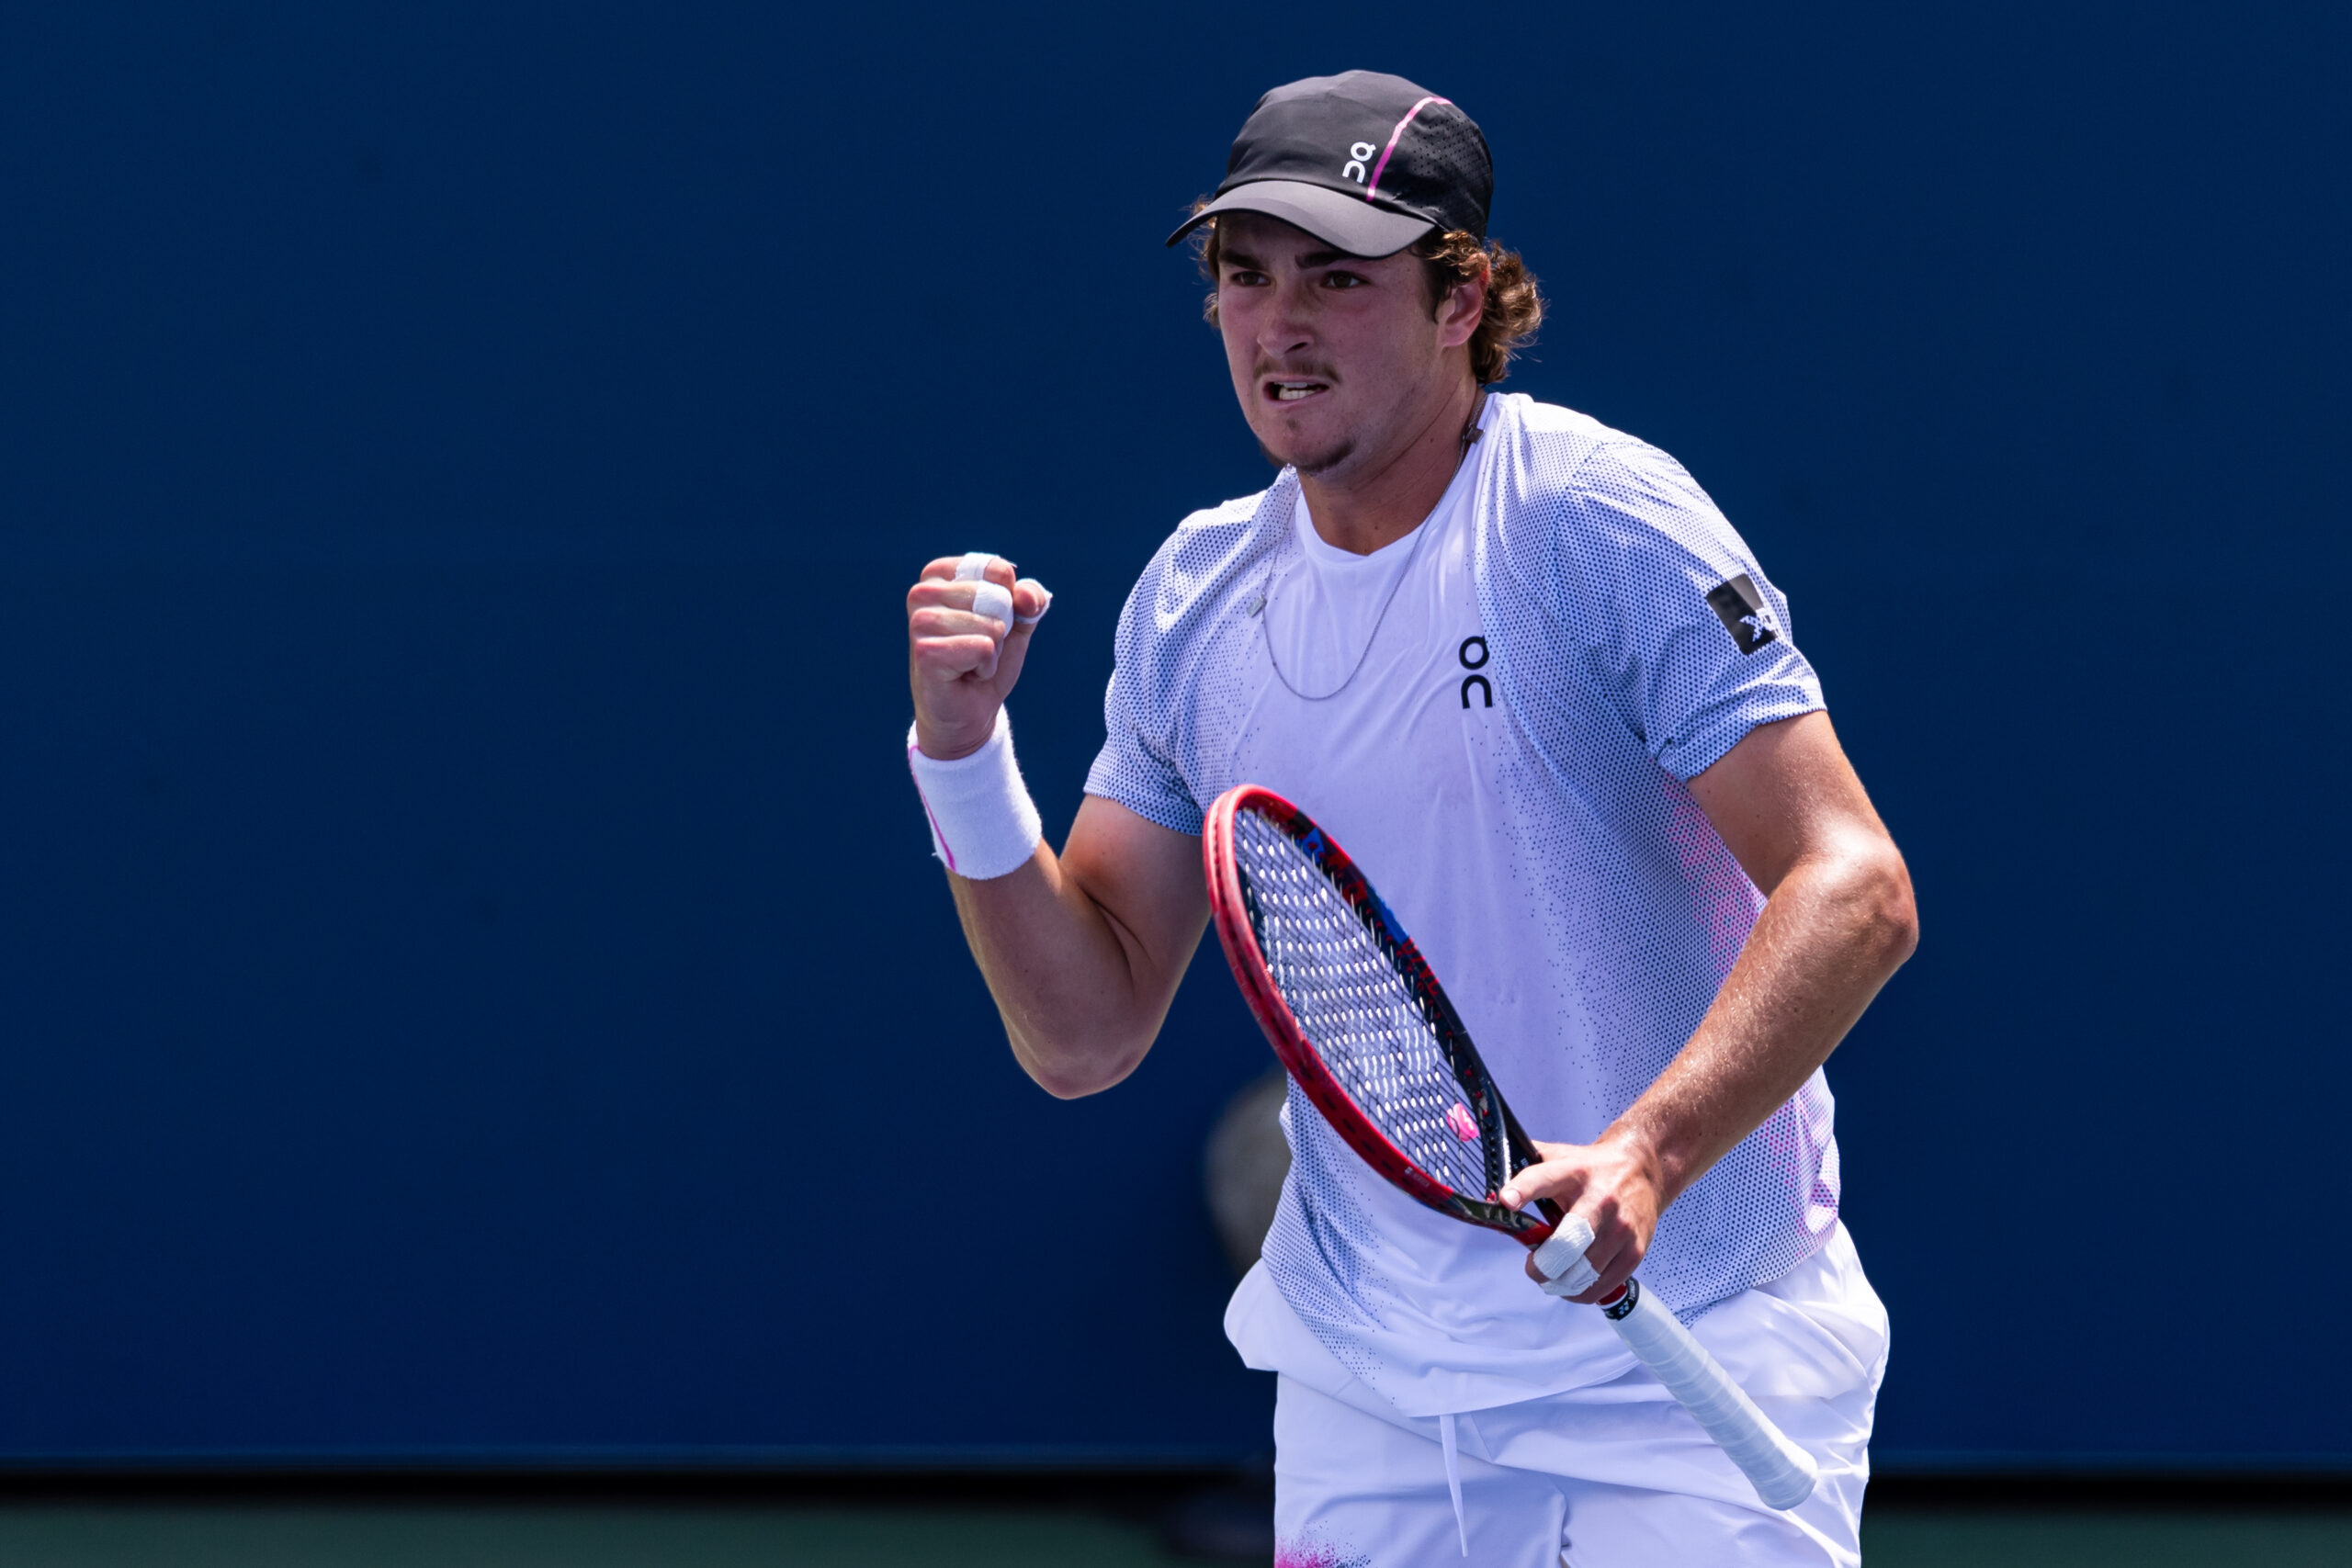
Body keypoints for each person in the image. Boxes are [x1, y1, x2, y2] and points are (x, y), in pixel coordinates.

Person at [902, 70, 1917, 1567]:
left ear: (1464, 301)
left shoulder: (1594, 520)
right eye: (1245, 280)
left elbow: (1856, 886)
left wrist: (1646, 1152)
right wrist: (965, 753)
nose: (1279, 322)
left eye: (1338, 277)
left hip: (1692, 1347)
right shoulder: (1194, 604)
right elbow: (1083, 1032)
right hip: (1370, 1384)